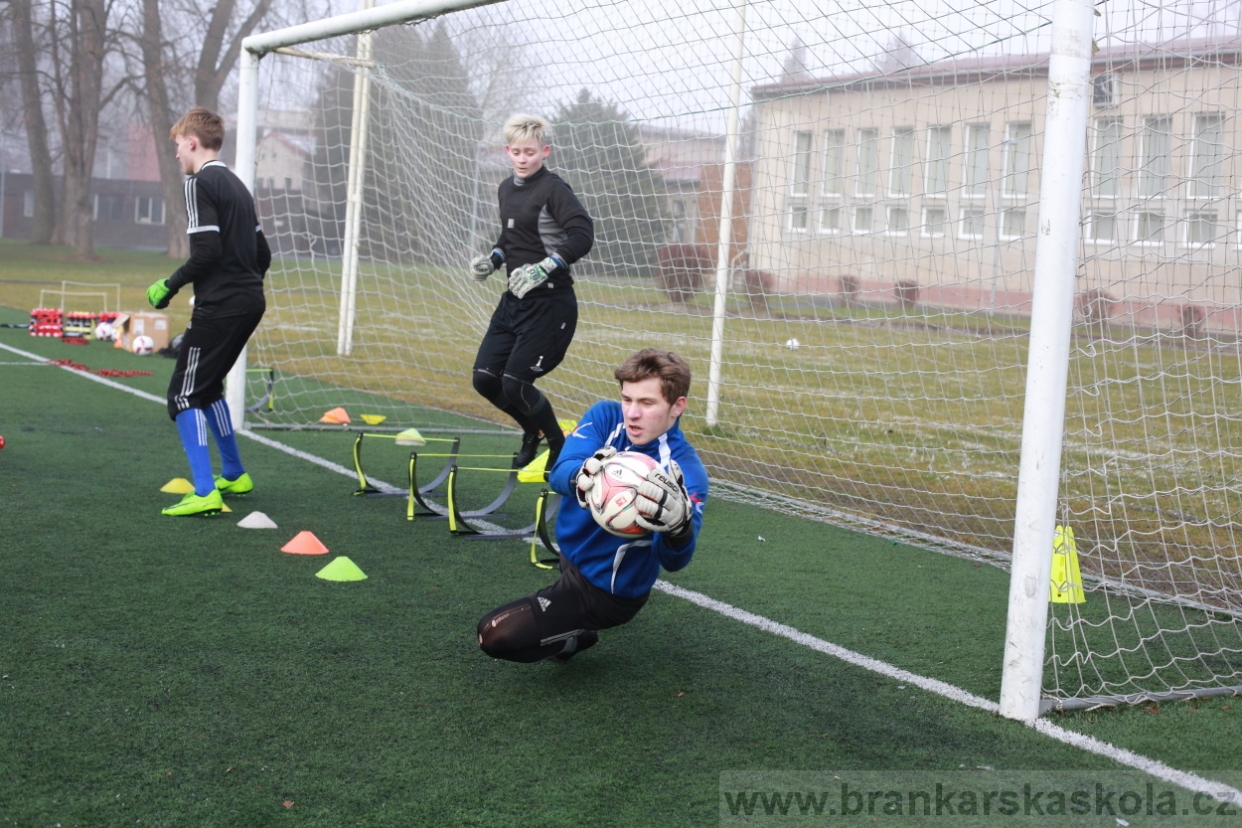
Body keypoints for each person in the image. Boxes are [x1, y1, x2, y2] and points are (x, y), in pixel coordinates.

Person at [477, 349, 708, 663]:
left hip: (606, 591)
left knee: (492, 633)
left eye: (647, 403)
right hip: (570, 556)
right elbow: (558, 472)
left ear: (677, 406)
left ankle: (578, 638)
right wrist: (580, 477)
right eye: (628, 399)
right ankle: (571, 626)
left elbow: (674, 561)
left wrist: (679, 529)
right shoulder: (605, 417)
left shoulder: (685, 473)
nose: (632, 413)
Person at [146, 107, 270, 516]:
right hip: (250, 301)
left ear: (193, 142)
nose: (177, 154)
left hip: (223, 307)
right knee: (209, 388)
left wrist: (170, 284)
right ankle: (233, 473)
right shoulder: (237, 185)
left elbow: (206, 251)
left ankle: (204, 492)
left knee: (183, 395)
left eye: (178, 145)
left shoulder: (199, 183)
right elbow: (263, 253)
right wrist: (242, 284)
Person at [468, 113, 594, 477]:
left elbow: (582, 235)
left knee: (516, 382)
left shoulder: (554, 190)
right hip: (513, 302)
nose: (523, 159)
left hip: (551, 305)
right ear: (507, 151)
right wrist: (494, 259)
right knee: (485, 379)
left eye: (531, 152)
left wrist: (547, 266)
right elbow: (512, 239)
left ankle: (558, 445)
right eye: (517, 152)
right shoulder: (506, 187)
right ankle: (531, 430)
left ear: (545, 152)